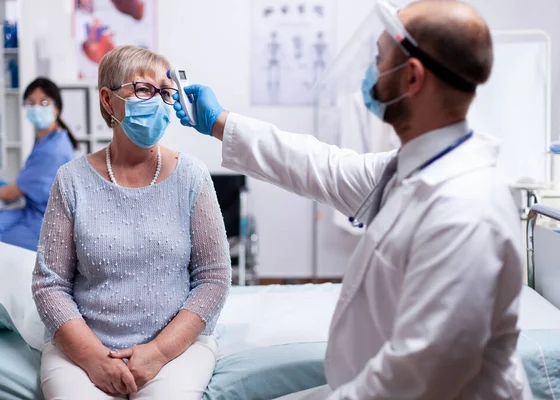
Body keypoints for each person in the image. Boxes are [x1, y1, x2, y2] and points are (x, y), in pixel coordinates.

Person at [174, 1, 533, 399]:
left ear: (412, 78)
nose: (371, 73)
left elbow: (417, 377)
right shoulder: (410, 169)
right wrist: (220, 122)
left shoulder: (465, 211)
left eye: (379, 59)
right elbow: (320, 166)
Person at [32, 45, 231, 400]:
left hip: (176, 349)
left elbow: (214, 277)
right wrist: (93, 357)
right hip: (84, 349)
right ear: (108, 101)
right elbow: (50, 284)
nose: (156, 101)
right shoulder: (71, 180)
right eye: (143, 90)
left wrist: (159, 352)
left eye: (165, 92)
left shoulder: (192, 177)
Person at [0, 77, 76, 251]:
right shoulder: (50, 139)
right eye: (31, 102)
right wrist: (15, 186)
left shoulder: (53, 149)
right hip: (37, 213)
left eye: (43, 102)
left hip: (43, 222)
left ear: (56, 108)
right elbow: (29, 184)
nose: (36, 108)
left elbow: (11, 194)